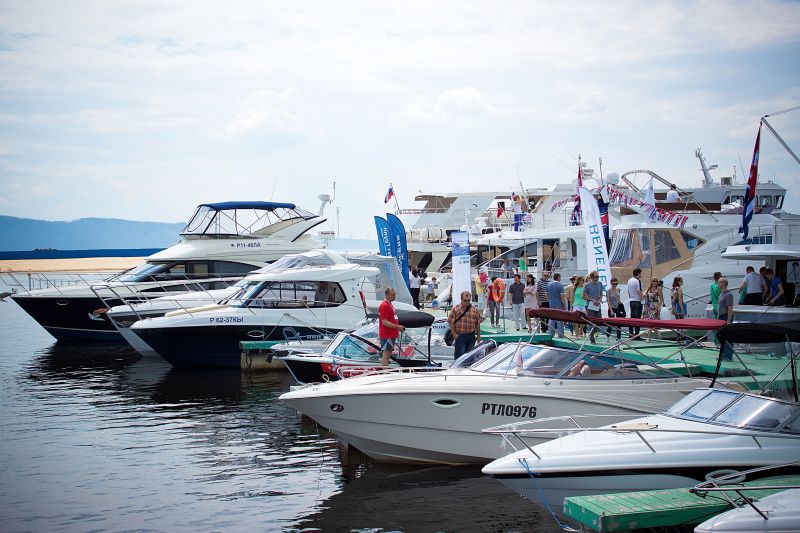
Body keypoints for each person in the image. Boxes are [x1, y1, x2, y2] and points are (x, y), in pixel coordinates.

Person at [448, 290, 484, 358]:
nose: (467, 302)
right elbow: (450, 322)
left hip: (471, 336)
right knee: (460, 356)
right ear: (461, 299)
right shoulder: (455, 309)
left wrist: (478, 336)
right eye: (465, 300)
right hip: (460, 336)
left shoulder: (474, 310)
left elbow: (477, 324)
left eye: (468, 300)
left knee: (469, 356)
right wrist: (455, 335)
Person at [379, 287, 405, 366]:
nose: (394, 296)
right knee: (386, 354)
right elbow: (384, 322)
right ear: (387, 295)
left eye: (395, 294)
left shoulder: (389, 304)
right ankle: (384, 372)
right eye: (393, 295)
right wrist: (397, 327)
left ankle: (385, 370)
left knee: (388, 353)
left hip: (390, 334)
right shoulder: (384, 305)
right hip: (387, 334)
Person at [583, 270, 603, 343]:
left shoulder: (600, 284)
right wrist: (592, 300)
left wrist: (600, 300)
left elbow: (601, 294)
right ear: (592, 277)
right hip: (590, 306)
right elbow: (584, 296)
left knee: (598, 321)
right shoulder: (587, 285)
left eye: (598, 276)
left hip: (597, 305)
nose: (597, 278)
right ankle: (592, 338)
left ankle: (594, 335)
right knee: (592, 322)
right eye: (596, 277)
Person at [716, 277, 734, 361]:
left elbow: (730, 308)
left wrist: (728, 321)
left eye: (719, 282)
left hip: (725, 317)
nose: (717, 284)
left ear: (723, 283)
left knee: (728, 338)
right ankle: (722, 355)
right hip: (721, 317)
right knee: (721, 337)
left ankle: (728, 356)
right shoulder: (721, 294)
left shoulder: (728, 294)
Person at [643, 277, 663, 341]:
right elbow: (644, 294)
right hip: (648, 306)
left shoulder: (658, 289)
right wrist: (645, 295)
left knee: (652, 322)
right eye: (653, 281)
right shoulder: (649, 288)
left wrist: (659, 307)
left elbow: (661, 299)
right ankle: (657, 332)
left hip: (655, 306)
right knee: (648, 322)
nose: (655, 282)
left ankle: (649, 338)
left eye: (656, 281)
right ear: (651, 282)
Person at [547, 272, 566, 338]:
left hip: (551, 303)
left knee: (551, 319)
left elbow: (546, 294)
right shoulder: (560, 285)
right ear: (558, 277)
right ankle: (560, 334)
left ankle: (550, 333)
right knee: (559, 319)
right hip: (558, 303)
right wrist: (564, 304)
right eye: (560, 277)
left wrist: (550, 300)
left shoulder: (549, 284)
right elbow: (562, 297)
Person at [627, 268, 643, 337]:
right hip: (637, 300)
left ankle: (630, 333)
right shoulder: (638, 281)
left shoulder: (629, 280)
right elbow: (639, 291)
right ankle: (637, 334)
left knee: (632, 317)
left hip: (631, 300)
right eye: (640, 273)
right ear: (638, 273)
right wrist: (642, 298)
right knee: (638, 318)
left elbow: (628, 291)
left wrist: (630, 297)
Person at [709, 272, 722, 343]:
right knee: (721, 325)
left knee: (716, 325)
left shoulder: (711, 286)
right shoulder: (720, 286)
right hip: (721, 309)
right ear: (719, 277)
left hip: (714, 308)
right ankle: (720, 341)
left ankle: (715, 341)